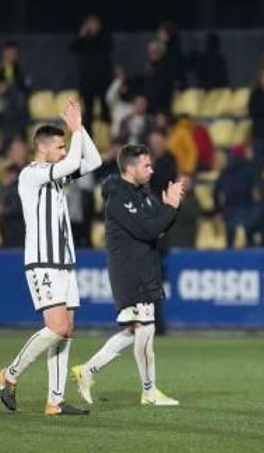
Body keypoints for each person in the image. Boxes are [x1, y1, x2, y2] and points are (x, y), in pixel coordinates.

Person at [0, 98, 101, 416]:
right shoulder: (31, 174)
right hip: (42, 261)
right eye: (60, 145)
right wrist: (77, 129)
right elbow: (72, 163)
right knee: (56, 327)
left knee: (67, 328)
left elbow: (93, 161)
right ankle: (10, 374)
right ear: (42, 148)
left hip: (64, 262)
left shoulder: (56, 176)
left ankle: (54, 400)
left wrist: (80, 130)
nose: (64, 149)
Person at [72, 144, 185, 407]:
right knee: (146, 329)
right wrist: (170, 208)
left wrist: (171, 206)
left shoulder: (141, 195)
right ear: (131, 168)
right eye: (146, 165)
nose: (151, 169)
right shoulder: (119, 198)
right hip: (130, 273)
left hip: (144, 270)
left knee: (137, 332)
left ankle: (87, 371)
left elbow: (159, 225)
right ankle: (149, 391)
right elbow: (148, 230)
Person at [69, 15, 113, 126]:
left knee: (106, 110)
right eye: (90, 23)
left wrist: (95, 35)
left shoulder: (104, 37)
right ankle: (89, 139)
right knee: (87, 113)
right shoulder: (84, 39)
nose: (92, 26)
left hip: (103, 80)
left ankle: (110, 137)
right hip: (87, 81)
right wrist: (81, 36)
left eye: (94, 23)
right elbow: (72, 48)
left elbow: (109, 46)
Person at [215, 145, 260, 248]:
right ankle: (250, 261)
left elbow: (216, 191)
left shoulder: (225, 170)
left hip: (229, 206)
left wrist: (218, 209)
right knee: (249, 238)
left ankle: (228, 260)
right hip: (247, 205)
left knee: (230, 239)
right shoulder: (250, 168)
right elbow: (257, 189)